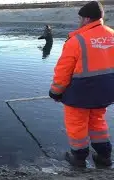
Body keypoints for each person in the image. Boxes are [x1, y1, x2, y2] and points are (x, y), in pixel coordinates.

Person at [49, 1, 113, 168]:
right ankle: (105, 156)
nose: (79, 21)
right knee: (97, 122)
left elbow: (63, 71)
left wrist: (56, 92)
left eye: (80, 18)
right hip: (105, 92)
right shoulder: (112, 35)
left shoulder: (76, 41)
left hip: (80, 94)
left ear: (86, 18)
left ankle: (79, 158)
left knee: (77, 124)